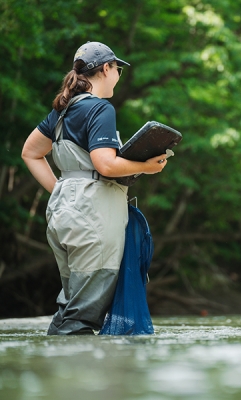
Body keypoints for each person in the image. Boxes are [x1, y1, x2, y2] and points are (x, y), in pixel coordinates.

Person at [21, 41, 169, 335]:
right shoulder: (101, 108)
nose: (118, 75)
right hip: (93, 217)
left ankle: (52, 372)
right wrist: (146, 166)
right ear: (106, 69)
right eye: (118, 69)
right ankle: (79, 380)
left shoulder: (62, 111)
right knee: (83, 313)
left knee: (71, 306)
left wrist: (64, 191)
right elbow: (106, 165)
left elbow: (30, 153)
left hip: (64, 213)